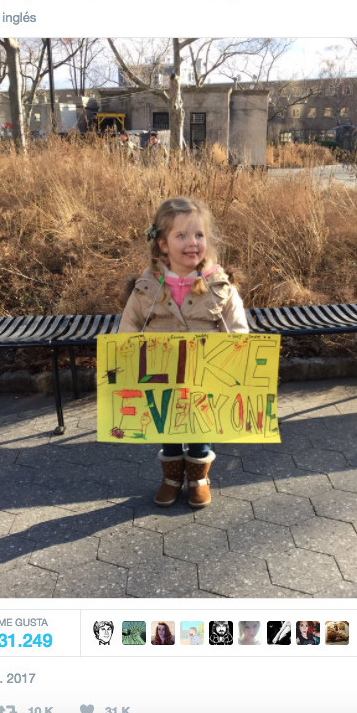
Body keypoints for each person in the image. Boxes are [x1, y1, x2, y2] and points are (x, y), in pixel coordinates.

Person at [119, 196, 249, 509]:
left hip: (205, 377)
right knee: (168, 425)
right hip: (161, 377)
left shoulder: (221, 287)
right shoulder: (145, 288)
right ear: (163, 243)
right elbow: (128, 329)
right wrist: (125, 359)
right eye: (182, 236)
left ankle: (199, 478)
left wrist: (233, 360)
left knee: (201, 425)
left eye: (199, 235)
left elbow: (238, 330)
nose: (192, 243)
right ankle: (172, 478)